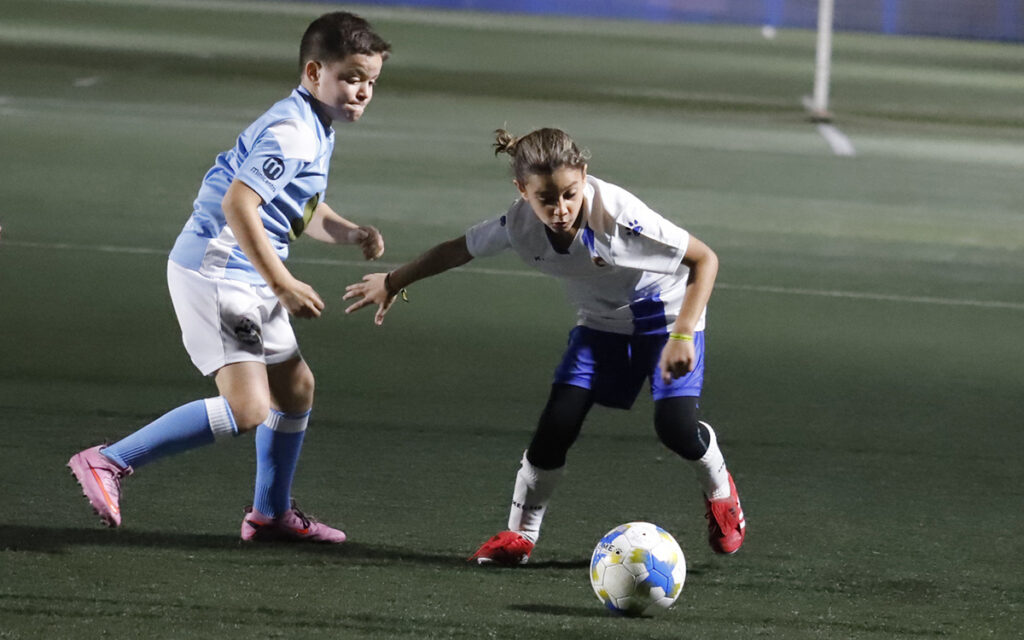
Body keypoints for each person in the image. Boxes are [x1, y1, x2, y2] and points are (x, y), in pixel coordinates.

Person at [343, 127, 746, 564]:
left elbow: (705, 259)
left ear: (585, 177)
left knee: (675, 430)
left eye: (570, 195)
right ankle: (520, 536)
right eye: (545, 199)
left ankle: (722, 493)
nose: (560, 209)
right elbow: (458, 250)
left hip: (666, 318)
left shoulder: (622, 216)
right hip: (600, 325)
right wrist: (391, 280)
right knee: (556, 426)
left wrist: (684, 333)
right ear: (521, 190)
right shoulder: (519, 223)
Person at [67, 11, 391, 543]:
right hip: (217, 272)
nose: (362, 92)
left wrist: (352, 232)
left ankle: (269, 515)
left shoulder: (313, 125)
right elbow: (239, 204)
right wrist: (283, 281)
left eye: (371, 82)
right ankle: (107, 461)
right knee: (247, 407)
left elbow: (297, 208)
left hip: (246, 273)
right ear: (314, 72)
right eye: (352, 77)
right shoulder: (293, 132)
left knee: (296, 388)